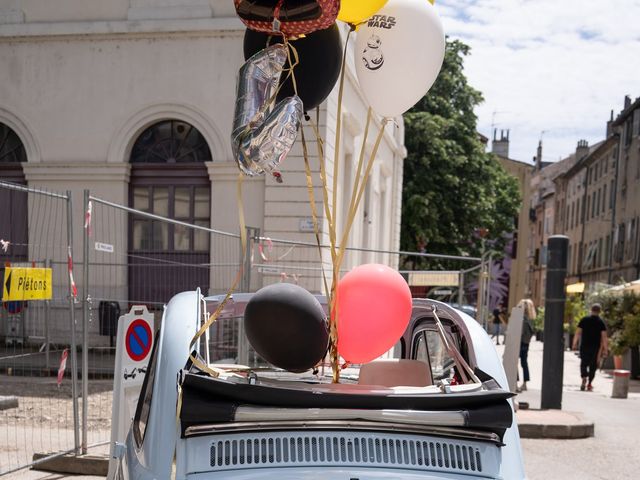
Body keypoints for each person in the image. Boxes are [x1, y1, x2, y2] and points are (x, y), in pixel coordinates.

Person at [572, 303, 608, 391]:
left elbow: (577, 332)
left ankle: (584, 376)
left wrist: (574, 343)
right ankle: (589, 384)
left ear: (591, 310)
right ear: (599, 311)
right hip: (595, 347)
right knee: (593, 366)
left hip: (584, 345)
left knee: (583, 363)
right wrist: (605, 349)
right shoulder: (601, 322)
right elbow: (604, 337)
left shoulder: (584, 320)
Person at [517, 299, 536, 392]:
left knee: (515, 363)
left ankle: (515, 382)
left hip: (520, 343)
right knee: (524, 363)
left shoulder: (522, 319)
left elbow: (520, 333)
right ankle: (524, 383)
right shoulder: (530, 319)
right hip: (526, 343)